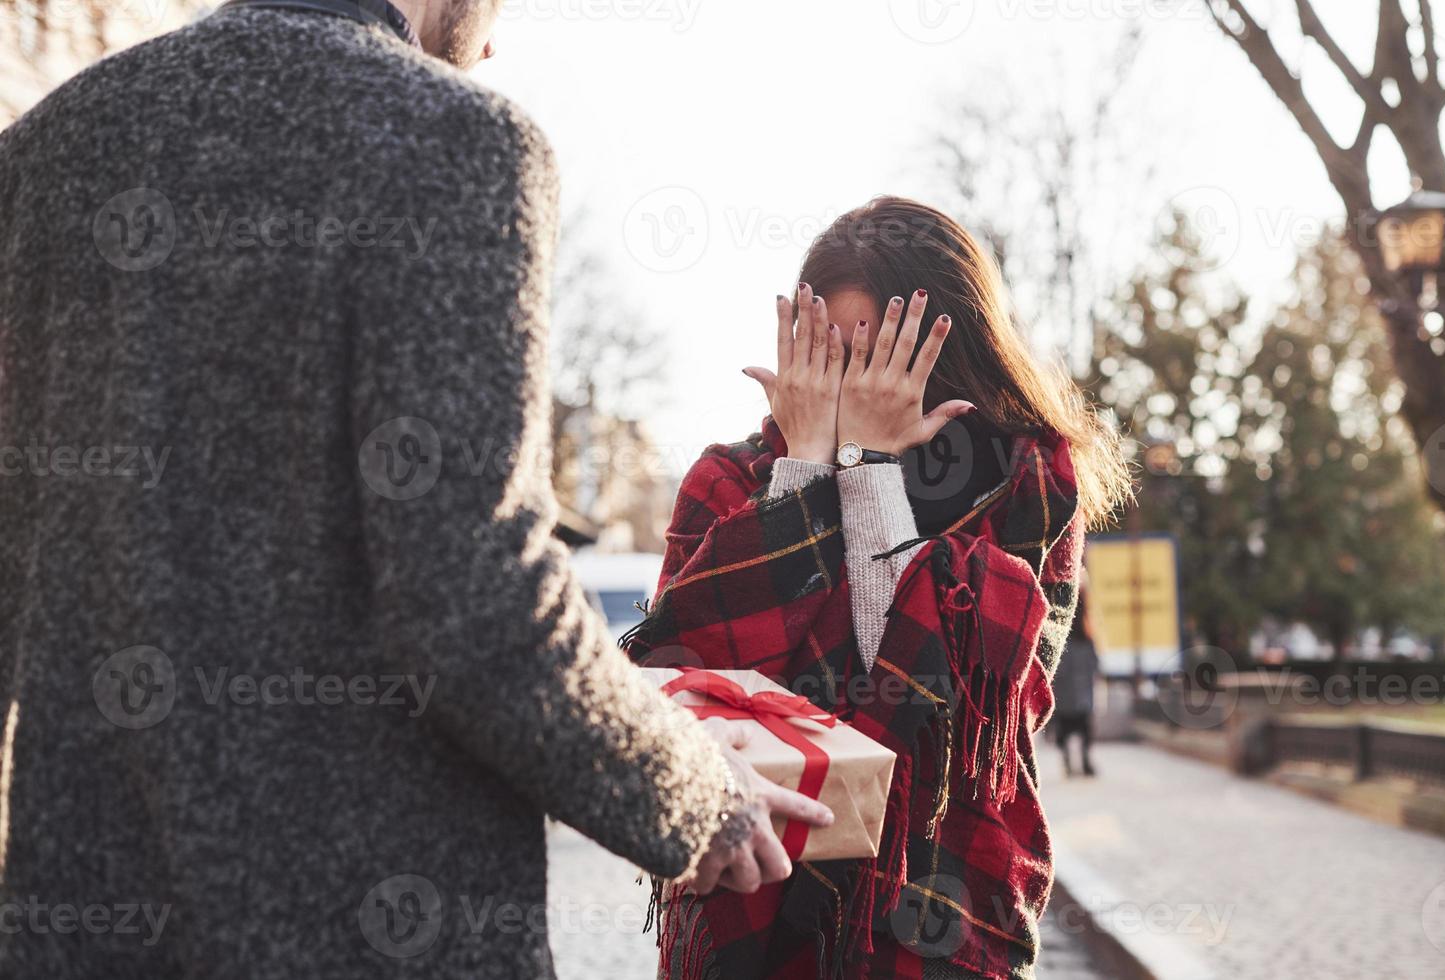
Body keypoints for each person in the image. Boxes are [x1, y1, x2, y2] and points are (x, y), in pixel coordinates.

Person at [0, 1, 830, 977]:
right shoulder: (454, 139)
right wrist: (697, 791)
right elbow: (474, 596)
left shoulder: (44, 151)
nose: (494, 39)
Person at [623, 197, 1132, 979]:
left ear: (947, 354)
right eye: (832, 357)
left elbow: (941, 723)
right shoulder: (729, 481)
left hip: (939, 915)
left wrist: (867, 473)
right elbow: (706, 691)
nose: (854, 388)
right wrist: (804, 473)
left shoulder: (1029, 488)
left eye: (879, 359)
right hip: (752, 922)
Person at [1051, 576, 1102, 777]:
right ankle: (1084, 760)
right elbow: (1095, 663)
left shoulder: (1060, 616)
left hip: (1066, 672)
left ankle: (1070, 760)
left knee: (1066, 724)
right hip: (1078, 680)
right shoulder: (1087, 629)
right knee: (1083, 723)